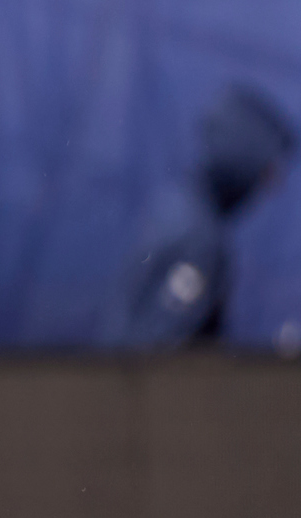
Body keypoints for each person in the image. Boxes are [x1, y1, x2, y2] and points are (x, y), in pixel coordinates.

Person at [113, 82, 296, 348]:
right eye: (267, 171)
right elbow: (157, 345)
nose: (269, 188)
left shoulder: (176, 207)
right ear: (244, 158)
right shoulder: (200, 241)